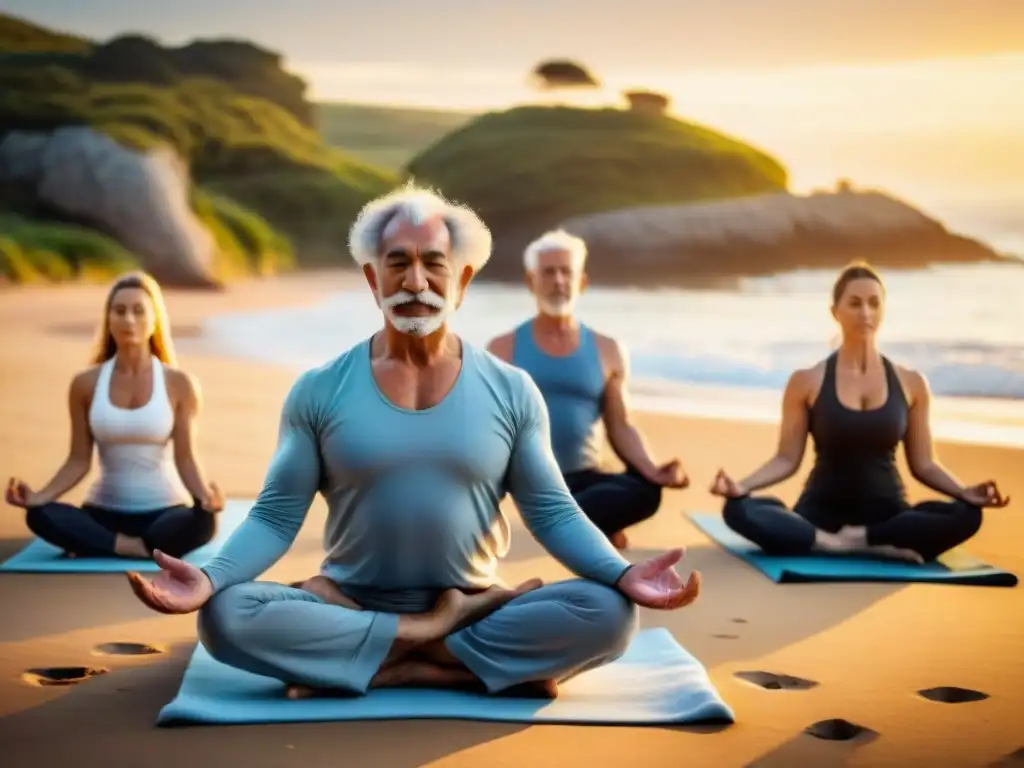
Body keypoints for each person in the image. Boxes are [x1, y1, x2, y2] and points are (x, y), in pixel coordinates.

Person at [125, 184, 701, 701]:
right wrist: (213, 576)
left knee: (610, 614)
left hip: (473, 604)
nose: (417, 282)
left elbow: (551, 511)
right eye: (397, 263)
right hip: (354, 604)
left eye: (434, 264)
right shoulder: (319, 389)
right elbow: (276, 516)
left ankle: (383, 666)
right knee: (226, 616)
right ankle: (439, 653)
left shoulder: (512, 390)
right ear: (373, 279)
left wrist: (621, 573)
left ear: (463, 280)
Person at [709, 262, 1009, 563]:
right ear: (835, 311)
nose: (865, 313)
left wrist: (964, 491)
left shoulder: (912, 383)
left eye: (873, 303)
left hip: (888, 517)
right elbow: (786, 458)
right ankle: (829, 541)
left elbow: (925, 464)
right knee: (737, 509)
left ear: (883, 310)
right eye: (854, 303)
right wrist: (742, 486)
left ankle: (862, 540)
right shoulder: (807, 381)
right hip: (818, 516)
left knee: (968, 515)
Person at [487, 229, 688, 551]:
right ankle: (583, 525)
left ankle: (568, 524)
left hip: (587, 480)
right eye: (548, 272)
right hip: (534, 482)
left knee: (646, 490)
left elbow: (620, 425)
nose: (558, 281)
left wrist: (652, 469)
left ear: (581, 282)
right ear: (531, 281)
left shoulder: (607, 349)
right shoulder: (502, 348)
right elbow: (490, 430)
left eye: (567, 272)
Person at [5, 271, 223, 560]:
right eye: (119, 311)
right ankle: (135, 548)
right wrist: (39, 497)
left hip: (164, 513)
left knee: (203, 522)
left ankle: (107, 545)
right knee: (39, 515)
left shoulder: (179, 384)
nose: (129, 320)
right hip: (103, 513)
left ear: (154, 319)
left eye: (138, 310)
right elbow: (79, 459)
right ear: (108, 319)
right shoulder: (85, 384)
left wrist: (204, 496)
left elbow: (185, 457)